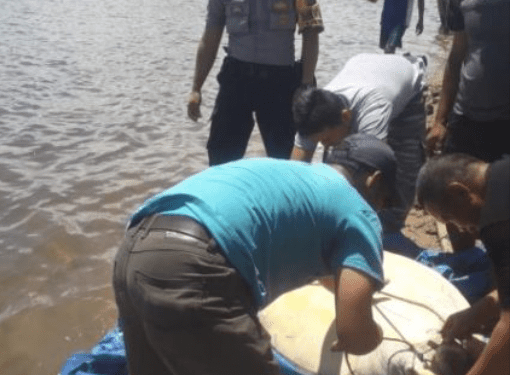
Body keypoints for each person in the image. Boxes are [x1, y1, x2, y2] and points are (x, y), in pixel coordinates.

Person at [113, 133, 398, 375]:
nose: (378, 212)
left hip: (135, 250)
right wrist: (376, 334)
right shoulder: (358, 211)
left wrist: (352, 288)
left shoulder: (297, 177)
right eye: (382, 204)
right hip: (194, 268)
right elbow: (355, 336)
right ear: (373, 181)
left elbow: (330, 278)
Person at [291, 52, 426, 234]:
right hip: (364, 67)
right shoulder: (313, 113)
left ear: (346, 116)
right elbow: (295, 172)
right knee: (337, 164)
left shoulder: (374, 108)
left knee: (403, 173)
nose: (325, 145)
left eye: (327, 140)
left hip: (406, 87)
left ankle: (391, 231)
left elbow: (376, 171)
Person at [187, 0, 324, 166]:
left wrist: (306, 84)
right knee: (221, 156)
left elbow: (311, 33)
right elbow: (210, 35)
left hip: (280, 82)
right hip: (237, 77)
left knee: (286, 158)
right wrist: (196, 88)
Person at [424, 0, 510, 251]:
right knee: (450, 189)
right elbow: (456, 55)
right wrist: (440, 120)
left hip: (506, 119)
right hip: (466, 112)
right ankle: (465, 258)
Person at [415, 153, 510, 375]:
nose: (460, 228)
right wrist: (482, 309)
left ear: (460, 192)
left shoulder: (498, 222)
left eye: (450, 217)